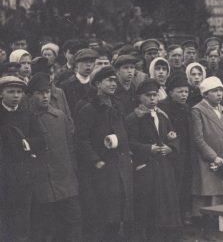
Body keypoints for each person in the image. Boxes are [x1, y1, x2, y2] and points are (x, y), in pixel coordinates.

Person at [75, 66, 134, 242]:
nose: (113, 83)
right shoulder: (89, 108)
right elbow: (81, 140)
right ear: (98, 83)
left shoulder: (117, 104)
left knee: (119, 206)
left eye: (115, 80)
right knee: (103, 209)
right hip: (101, 167)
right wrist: (96, 161)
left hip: (120, 164)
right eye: (109, 80)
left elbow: (124, 130)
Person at [28, 73, 82, 242]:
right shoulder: (26, 118)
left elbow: (70, 148)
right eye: (39, 92)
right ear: (30, 95)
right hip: (41, 184)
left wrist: (72, 175)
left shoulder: (60, 117)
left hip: (65, 182)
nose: (45, 96)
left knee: (73, 222)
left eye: (47, 92)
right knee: (46, 227)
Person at [126, 78, 181, 241]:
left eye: (155, 96)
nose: (152, 99)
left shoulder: (163, 116)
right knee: (148, 209)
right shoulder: (133, 118)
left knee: (165, 207)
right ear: (139, 98)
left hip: (164, 169)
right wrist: (148, 149)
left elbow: (174, 136)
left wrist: (171, 148)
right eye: (148, 96)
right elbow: (129, 142)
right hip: (145, 169)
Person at [190, 77, 223, 241]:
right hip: (208, 162)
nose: (219, 94)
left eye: (220, 90)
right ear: (205, 94)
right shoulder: (197, 110)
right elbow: (198, 139)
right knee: (209, 196)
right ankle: (209, 231)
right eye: (214, 91)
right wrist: (214, 157)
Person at [0, 76, 46, 242]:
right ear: (1, 94)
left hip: (22, 176)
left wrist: (27, 143)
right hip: (3, 175)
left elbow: (41, 139)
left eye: (19, 92)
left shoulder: (27, 114)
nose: (15, 95)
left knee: (21, 218)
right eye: (10, 91)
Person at [160, 73, 194, 226]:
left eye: (186, 91)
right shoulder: (163, 108)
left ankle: (181, 221)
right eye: (180, 91)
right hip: (169, 155)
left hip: (185, 154)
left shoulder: (186, 108)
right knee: (170, 190)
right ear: (170, 92)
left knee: (183, 188)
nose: (184, 95)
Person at [59, 48, 97, 114]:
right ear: (76, 64)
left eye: (91, 62)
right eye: (85, 62)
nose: (88, 65)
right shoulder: (65, 85)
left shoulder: (96, 84)